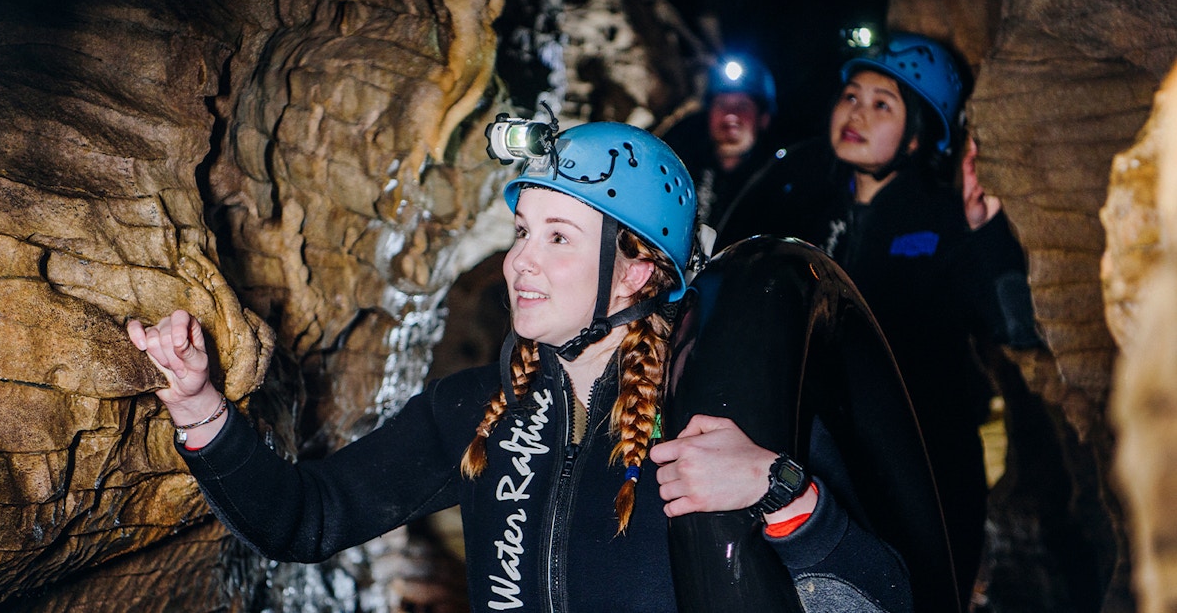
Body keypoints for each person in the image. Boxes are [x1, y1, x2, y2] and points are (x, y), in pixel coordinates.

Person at [129, 117, 917, 611]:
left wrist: (784, 490)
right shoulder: (473, 410)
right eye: (521, 231)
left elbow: (881, 597)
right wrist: (202, 410)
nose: (520, 263)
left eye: (559, 238)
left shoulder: (730, 412)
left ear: (637, 270)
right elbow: (307, 517)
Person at [793, 32, 1044, 608]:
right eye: (852, 95)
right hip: (831, 461)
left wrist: (984, 234)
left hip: (930, 464)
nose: (857, 112)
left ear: (919, 135)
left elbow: (1017, 327)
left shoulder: (943, 215)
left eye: (884, 104)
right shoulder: (810, 214)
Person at [662, 54, 831, 252]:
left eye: (743, 105)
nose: (730, 114)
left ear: (764, 118)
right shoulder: (679, 164)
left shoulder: (782, 183)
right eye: (721, 104)